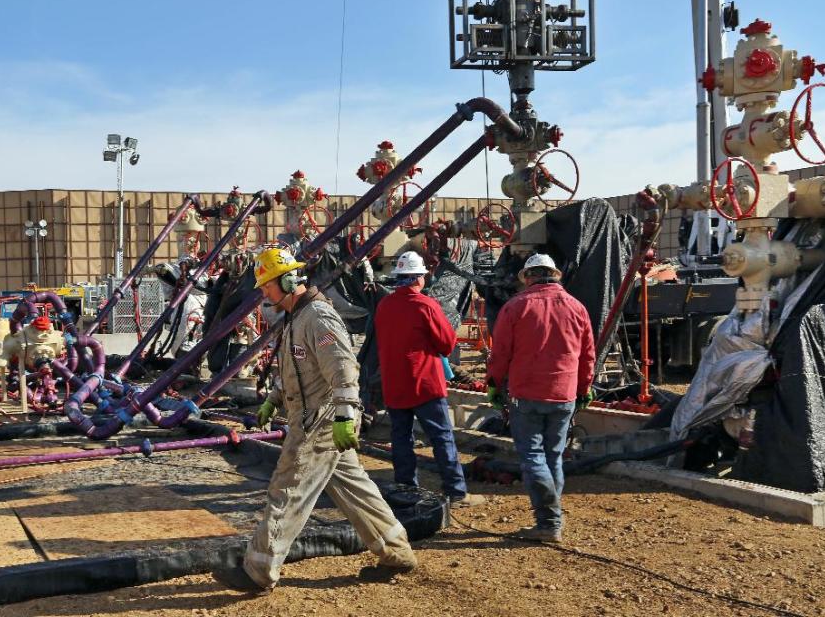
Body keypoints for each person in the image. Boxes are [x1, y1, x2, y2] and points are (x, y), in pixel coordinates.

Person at [213, 247, 417, 593]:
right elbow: (297, 368)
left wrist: (344, 415)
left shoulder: (318, 317)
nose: (263, 292)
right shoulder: (295, 317)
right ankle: (396, 552)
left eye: (266, 285)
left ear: (289, 280)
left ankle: (259, 570)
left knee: (286, 490)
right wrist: (274, 401)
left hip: (320, 423)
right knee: (357, 491)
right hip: (311, 417)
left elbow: (343, 368)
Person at [487, 253, 595, 543]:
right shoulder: (577, 308)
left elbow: (500, 354)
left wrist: (495, 385)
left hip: (527, 394)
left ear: (528, 276)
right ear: (555, 274)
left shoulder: (515, 307)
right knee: (553, 456)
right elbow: (587, 354)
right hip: (564, 394)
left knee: (533, 457)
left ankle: (548, 522)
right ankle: (550, 521)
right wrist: (584, 389)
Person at [374, 251, 485, 508]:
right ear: (419, 278)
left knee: (401, 439)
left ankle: (406, 490)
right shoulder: (426, 305)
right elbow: (446, 344)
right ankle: (456, 493)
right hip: (425, 384)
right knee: (441, 438)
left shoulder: (385, 306)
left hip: (395, 384)